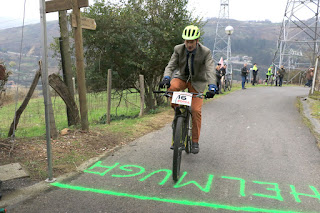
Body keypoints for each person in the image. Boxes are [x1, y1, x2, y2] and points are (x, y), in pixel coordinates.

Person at [159, 25, 217, 154]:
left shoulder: (205, 52)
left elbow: (210, 70)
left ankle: (195, 141)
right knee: (172, 88)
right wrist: (166, 78)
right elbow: (171, 65)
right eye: (187, 41)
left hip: (197, 82)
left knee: (196, 110)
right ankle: (179, 120)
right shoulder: (178, 49)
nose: (189, 44)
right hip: (182, 78)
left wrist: (212, 86)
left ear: (197, 41)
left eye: (191, 41)